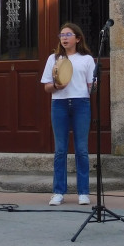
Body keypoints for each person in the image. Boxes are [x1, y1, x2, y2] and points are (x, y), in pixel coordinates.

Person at [41, 22, 96, 206]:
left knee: (81, 149)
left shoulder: (87, 59)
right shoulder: (54, 58)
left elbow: (91, 86)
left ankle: (83, 192)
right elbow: (47, 86)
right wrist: (57, 86)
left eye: (68, 34)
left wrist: (95, 84)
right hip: (60, 104)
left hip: (81, 103)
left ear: (78, 38)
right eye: (62, 35)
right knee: (60, 150)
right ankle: (58, 191)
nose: (64, 38)